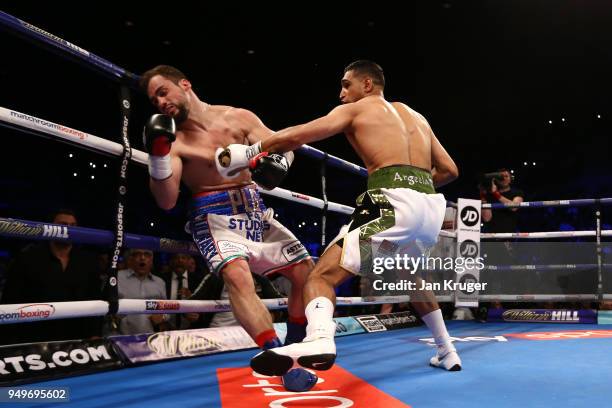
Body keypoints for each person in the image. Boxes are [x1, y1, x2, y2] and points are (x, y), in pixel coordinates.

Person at [216, 60, 462, 374]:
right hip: (428, 210)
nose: (342, 92)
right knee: (408, 274)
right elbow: (450, 170)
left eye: (347, 84)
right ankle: (447, 350)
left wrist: (249, 152)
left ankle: (319, 338)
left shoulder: (357, 109)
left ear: (368, 85)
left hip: (391, 206)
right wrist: (413, 187)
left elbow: (299, 135)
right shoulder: (416, 116)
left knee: (321, 276)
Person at [139, 65, 317, 391]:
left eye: (163, 92)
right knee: (237, 275)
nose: (160, 103)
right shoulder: (175, 141)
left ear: (185, 84)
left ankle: (294, 346)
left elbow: (284, 145)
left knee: (306, 273)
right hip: (213, 216)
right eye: (154, 100)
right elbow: (166, 200)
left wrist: (277, 164)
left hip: (255, 209)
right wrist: (159, 156)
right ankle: (279, 360)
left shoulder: (238, 117)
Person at [0, 209, 102, 344]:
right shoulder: (28, 258)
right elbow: (11, 298)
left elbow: (95, 298)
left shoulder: (88, 261)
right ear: (51, 227)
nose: (68, 230)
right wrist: (10, 341)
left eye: (73, 226)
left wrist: (95, 333)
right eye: (63, 224)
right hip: (34, 336)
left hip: (77, 336)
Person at [117, 248, 169, 334]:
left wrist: (162, 317)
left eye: (147, 254)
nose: (142, 258)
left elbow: (168, 310)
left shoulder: (160, 282)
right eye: (138, 254)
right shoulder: (117, 278)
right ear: (131, 259)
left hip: (150, 338)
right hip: (121, 337)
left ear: (151, 261)